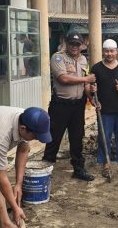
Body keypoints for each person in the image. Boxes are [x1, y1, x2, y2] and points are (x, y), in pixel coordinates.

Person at [42, 32, 96, 181]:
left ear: (81, 45)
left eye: (77, 44)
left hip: (78, 106)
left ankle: (78, 169)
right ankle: (45, 170)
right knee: (54, 138)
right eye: (72, 43)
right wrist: (86, 78)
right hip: (61, 105)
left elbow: (85, 84)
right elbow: (63, 78)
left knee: (77, 138)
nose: (74, 47)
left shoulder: (84, 60)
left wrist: (90, 95)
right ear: (66, 43)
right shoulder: (58, 57)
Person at [89, 39, 118, 178]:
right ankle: (106, 164)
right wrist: (94, 98)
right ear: (103, 52)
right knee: (104, 138)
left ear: (116, 51)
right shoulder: (96, 68)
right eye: (106, 51)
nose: (109, 54)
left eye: (112, 51)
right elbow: (90, 88)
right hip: (104, 110)